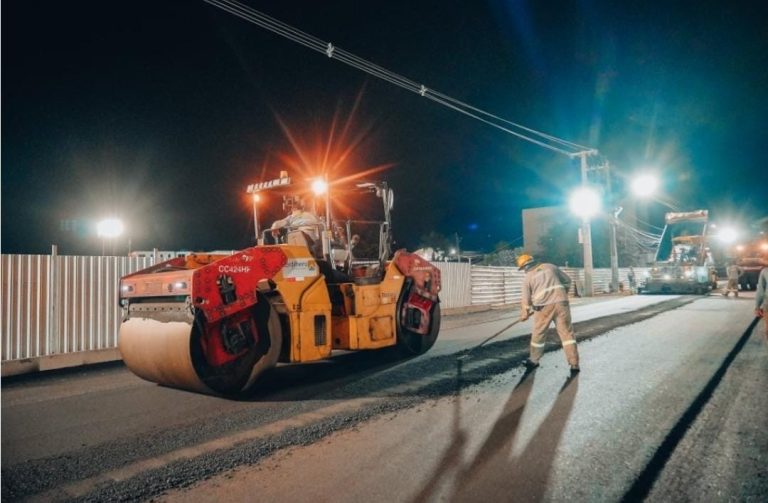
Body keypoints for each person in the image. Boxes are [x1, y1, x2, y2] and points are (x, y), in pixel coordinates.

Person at [517, 253, 580, 374]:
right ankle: (574, 364)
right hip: (562, 303)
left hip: (543, 308)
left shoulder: (528, 278)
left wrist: (525, 313)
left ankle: (534, 360)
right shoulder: (550, 267)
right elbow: (567, 281)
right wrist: (562, 293)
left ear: (525, 267)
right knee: (567, 334)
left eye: (523, 269)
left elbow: (526, 301)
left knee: (538, 334)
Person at [755, 267, 768, 339]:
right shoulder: (765, 271)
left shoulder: (765, 271)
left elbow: (760, 290)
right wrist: (757, 306)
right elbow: (760, 290)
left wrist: (757, 306)